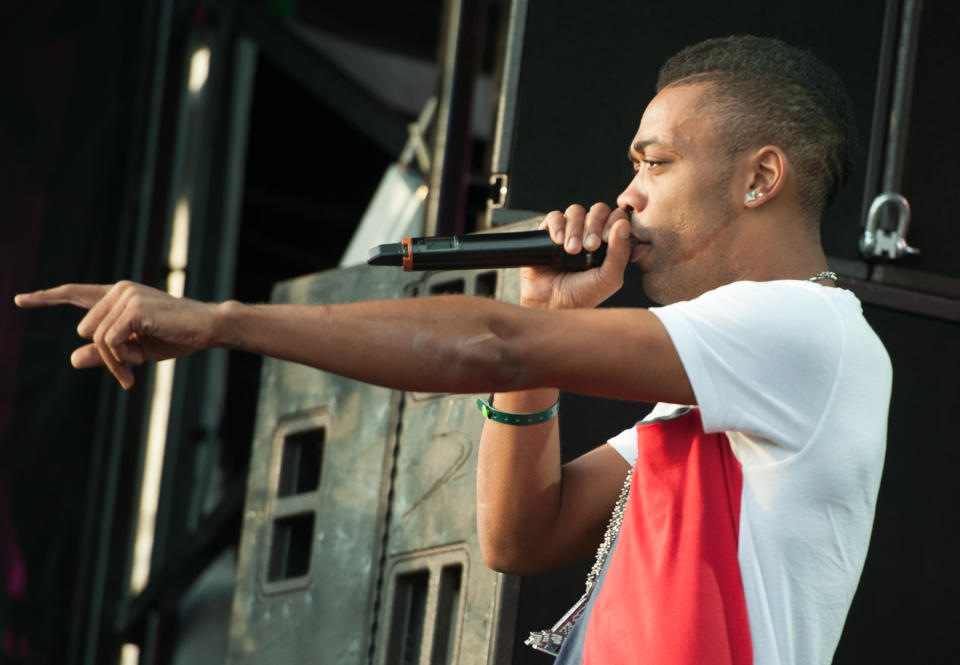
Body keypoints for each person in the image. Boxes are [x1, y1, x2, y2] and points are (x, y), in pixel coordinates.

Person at [15, 35, 890, 665]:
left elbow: (490, 345)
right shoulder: (716, 395)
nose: (626, 195)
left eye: (654, 164)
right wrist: (547, 318)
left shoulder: (809, 333)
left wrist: (224, 321)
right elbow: (520, 533)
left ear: (760, 177)